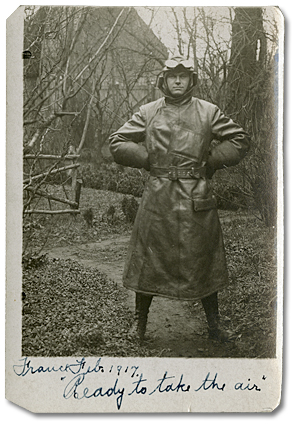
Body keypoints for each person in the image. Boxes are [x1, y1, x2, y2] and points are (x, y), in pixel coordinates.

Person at [109, 55, 250, 343]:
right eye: (172, 75)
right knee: (147, 261)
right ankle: (139, 326)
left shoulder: (208, 112)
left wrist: (210, 162)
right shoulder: (148, 112)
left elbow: (239, 139)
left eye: (183, 76)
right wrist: (147, 159)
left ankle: (214, 327)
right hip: (158, 197)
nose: (177, 80)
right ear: (163, 79)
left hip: (196, 198)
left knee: (204, 260)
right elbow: (117, 142)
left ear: (191, 80)